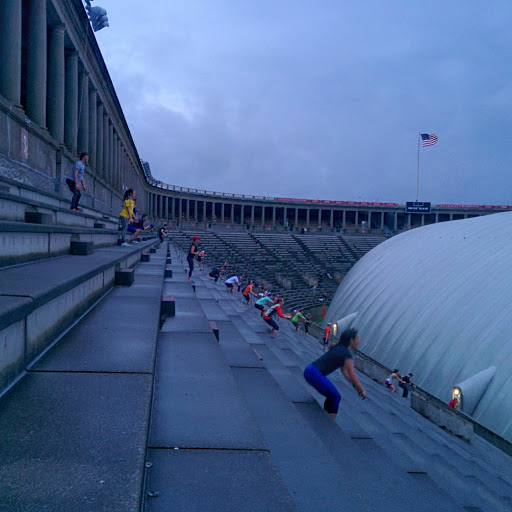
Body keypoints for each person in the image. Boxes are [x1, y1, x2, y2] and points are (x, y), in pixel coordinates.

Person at [303, 328, 366, 420]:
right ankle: (330, 424)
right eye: (357, 339)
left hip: (310, 370)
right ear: (351, 340)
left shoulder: (339, 348)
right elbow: (352, 373)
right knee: (335, 396)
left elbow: (345, 372)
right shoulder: (347, 354)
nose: (358, 342)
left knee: (332, 396)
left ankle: (326, 419)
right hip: (314, 373)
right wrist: (361, 390)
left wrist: (355, 386)